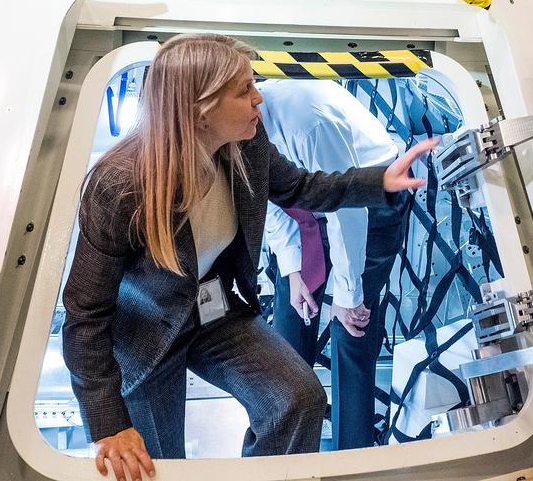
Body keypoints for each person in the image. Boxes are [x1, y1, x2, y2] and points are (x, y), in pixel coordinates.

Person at [61, 34, 437, 481]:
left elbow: (300, 187)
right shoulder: (119, 186)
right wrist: (110, 425)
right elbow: (85, 315)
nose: (259, 97)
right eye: (244, 90)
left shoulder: (246, 146)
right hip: (146, 331)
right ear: (201, 110)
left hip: (212, 311)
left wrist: (379, 183)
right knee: (156, 466)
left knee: (297, 400)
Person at [259, 79, 408, 450]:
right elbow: (266, 200)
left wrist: (348, 293)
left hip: (369, 196)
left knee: (351, 329)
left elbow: (347, 211)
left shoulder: (307, 122)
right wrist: (293, 269)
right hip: (307, 208)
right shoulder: (226, 135)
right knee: (289, 325)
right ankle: (284, 454)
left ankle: (351, 457)